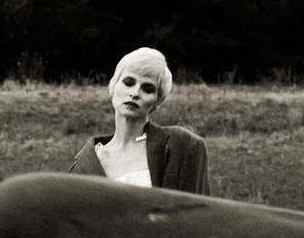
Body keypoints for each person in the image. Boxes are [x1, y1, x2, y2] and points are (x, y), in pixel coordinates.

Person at [66, 47, 210, 193]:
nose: (135, 93)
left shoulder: (182, 145)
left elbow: (196, 206)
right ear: (113, 87)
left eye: (147, 89)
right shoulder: (85, 163)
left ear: (157, 102)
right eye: (128, 83)